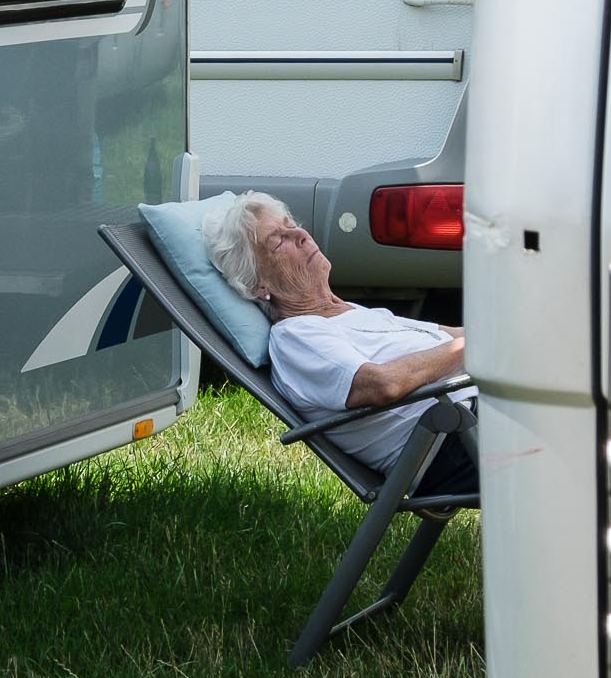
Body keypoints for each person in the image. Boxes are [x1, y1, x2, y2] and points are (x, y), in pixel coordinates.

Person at [202, 190, 477, 495]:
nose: (301, 234)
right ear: (258, 285)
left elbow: (454, 334)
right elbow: (383, 384)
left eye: (291, 223)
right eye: (278, 240)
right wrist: (482, 348)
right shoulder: (296, 337)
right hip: (452, 442)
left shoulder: (350, 313)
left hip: (481, 416)